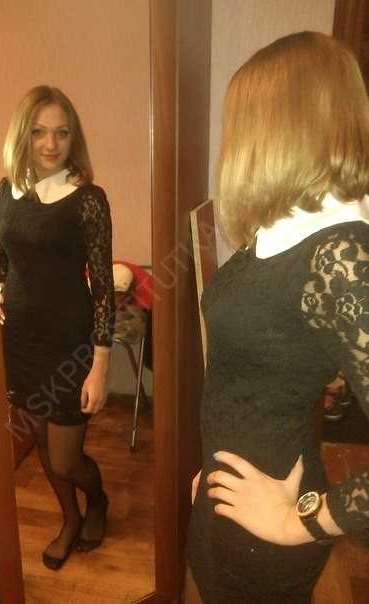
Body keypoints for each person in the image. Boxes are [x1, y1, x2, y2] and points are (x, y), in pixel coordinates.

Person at [186, 32, 369, 603]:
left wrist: (302, 519)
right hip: (225, 502)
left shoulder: (339, 254)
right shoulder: (286, 227)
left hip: (266, 536)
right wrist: (212, 464)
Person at [0, 85, 115, 570]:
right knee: (42, 443)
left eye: (61, 133)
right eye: (39, 132)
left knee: (67, 458)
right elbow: (1, 258)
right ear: (23, 135)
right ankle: (70, 518)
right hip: (21, 344)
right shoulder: (6, 190)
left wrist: (99, 367)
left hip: (70, 346)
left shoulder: (87, 200)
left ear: (73, 138)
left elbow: (103, 289)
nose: (50, 144)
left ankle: (97, 500)